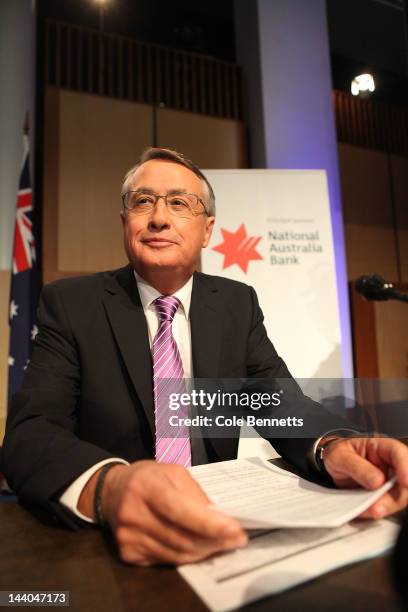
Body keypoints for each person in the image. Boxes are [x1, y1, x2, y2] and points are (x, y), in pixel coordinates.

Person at [2, 148, 408, 567]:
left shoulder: (236, 304)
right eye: (143, 201)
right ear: (125, 221)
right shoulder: (73, 304)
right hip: (109, 547)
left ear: (207, 229)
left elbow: (278, 403)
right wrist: (110, 486)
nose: (159, 217)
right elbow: (31, 434)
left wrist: (333, 445)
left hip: (221, 531)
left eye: (179, 203)